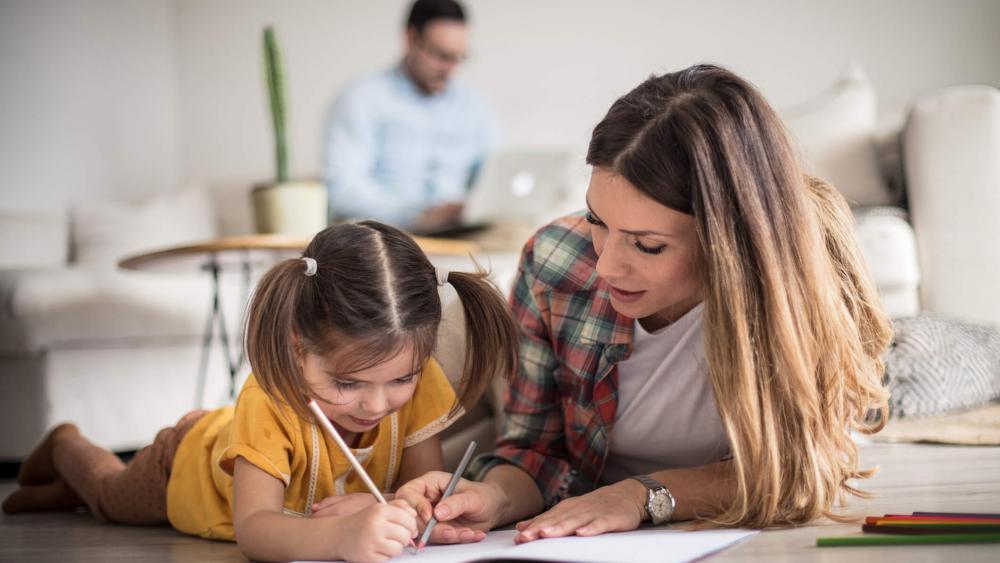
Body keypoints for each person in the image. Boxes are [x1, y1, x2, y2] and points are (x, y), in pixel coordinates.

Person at [396, 64, 892, 543]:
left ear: (727, 239)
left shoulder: (803, 277)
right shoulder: (554, 262)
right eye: (597, 220)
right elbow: (535, 451)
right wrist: (492, 498)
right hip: (594, 531)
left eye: (647, 245)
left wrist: (642, 496)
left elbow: (802, 473)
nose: (607, 266)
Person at [2, 221, 518, 562]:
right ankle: (66, 442)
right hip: (182, 467)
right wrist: (342, 536)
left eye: (400, 380)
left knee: (69, 504)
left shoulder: (419, 381)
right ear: (298, 349)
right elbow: (255, 528)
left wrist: (411, 508)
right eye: (347, 383)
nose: (378, 405)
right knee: (107, 497)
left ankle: (53, 496)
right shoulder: (269, 399)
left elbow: (415, 486)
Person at [323, 0, 497, 234]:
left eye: (458, 58)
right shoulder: (362, 98)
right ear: (411, 38)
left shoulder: (474, 106)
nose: (451, 69)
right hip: (389, 238)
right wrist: (416, 215)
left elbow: (493, 175)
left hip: (461, 236)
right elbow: (342, 192)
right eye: (441, 55)